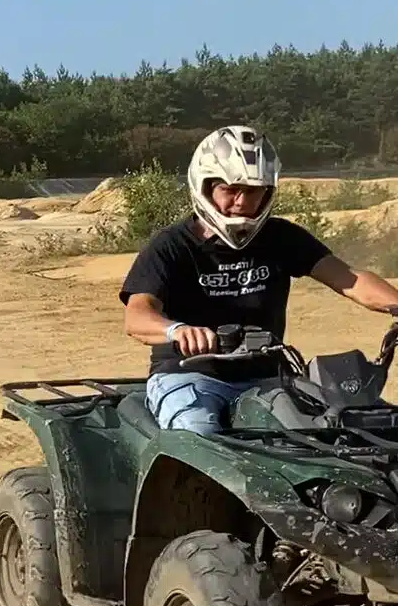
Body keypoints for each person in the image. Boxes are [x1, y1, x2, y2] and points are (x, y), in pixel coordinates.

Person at [119, 125, 398, 436]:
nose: (241, 202)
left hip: (269, 378)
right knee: (199, 436)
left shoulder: (281, 237)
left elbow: (350, 279)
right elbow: (137, 315)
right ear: (205, 187)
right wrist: (177, 330)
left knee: (350, 428)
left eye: (253, 191)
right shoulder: (172, 245)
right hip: (189, 376)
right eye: (230, 189)